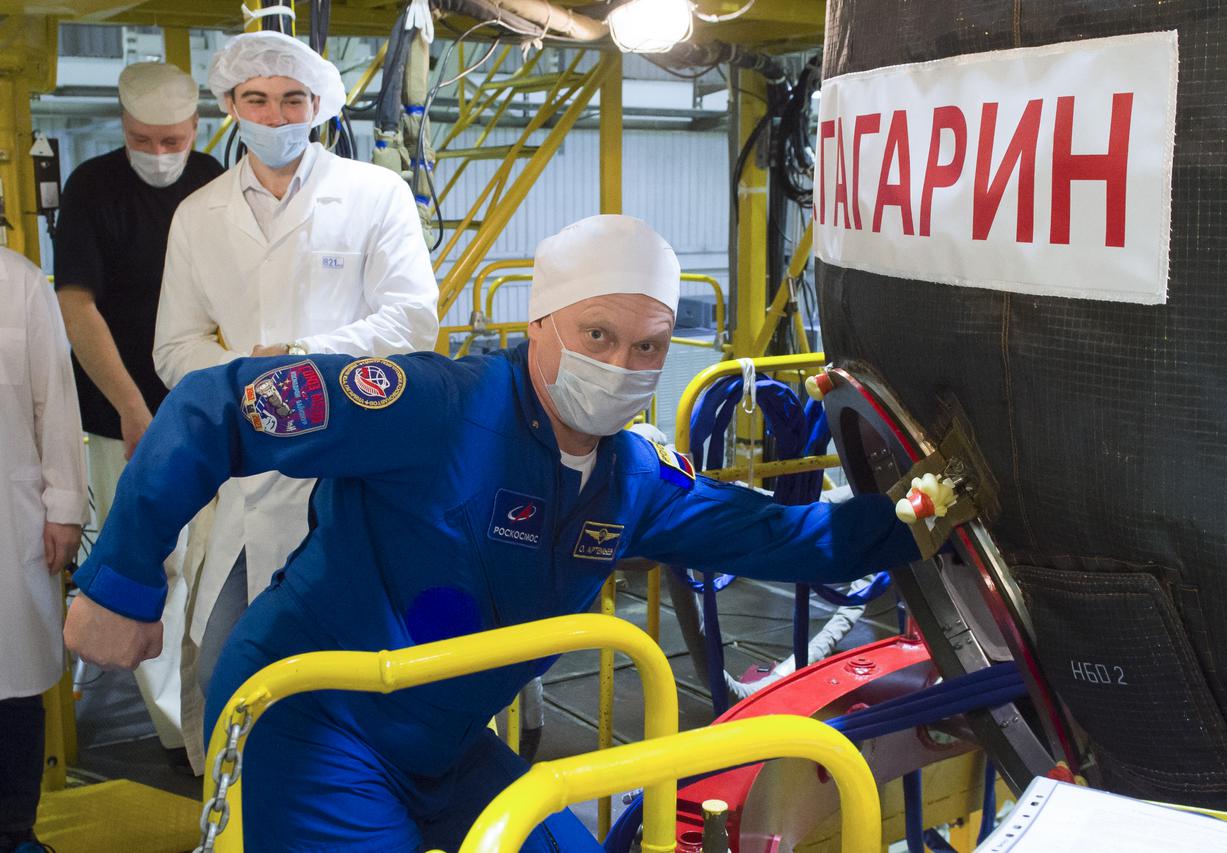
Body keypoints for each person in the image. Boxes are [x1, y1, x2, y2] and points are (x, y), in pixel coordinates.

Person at [64, 215, 918, 852]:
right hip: (316, 721)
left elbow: (772, 532)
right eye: (596, 335)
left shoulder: (633, 480)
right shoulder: (430, 403)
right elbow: (215, 408)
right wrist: (120, 581)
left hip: (445, 739)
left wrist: (916, 524)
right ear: (539, 324)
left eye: (649, 347)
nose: (621, 366)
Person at [151, 30, 439, 713]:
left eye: (291, 101)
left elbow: (412, 320)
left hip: (353, 461)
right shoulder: (198, 215)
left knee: (363, 667)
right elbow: (174, 346)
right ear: (230, 104)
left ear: (319, 107)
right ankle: (242, 814)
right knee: (225, 661)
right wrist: (255, 378)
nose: (275, 117)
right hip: (245, 466)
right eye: (257, 100)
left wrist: (302, 362)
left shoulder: (376, 193)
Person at [55, 61, 222, 756]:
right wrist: (130, 406)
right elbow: (76, 304)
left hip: (205, 407)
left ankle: (205, 720)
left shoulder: (216, 178)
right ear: (123, 130)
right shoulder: (93, 187)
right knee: (145, 564)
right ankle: (177, 735)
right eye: (143, 140)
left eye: (171, 140)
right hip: (118, 412)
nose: (159, 155)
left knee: (210, 564)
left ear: (196, 130)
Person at [2, 251, 87, 853]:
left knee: (13, 683)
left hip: (10, 519)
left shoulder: (19, 283)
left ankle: (13, 831)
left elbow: (55, 403)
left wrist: (64, 507)